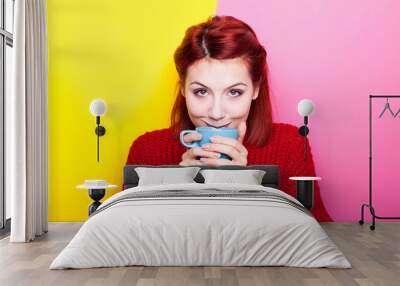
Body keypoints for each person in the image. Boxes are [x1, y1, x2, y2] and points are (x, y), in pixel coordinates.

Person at [126, 15, 331, 221]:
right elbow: (127, 235)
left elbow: (319, 233)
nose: (216, 113)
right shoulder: (147, 150)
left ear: (255, 89)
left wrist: (245, 185)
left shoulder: (290, 145)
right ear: (183, 90)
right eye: (201, 92)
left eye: (234, 92)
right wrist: (179, 186)